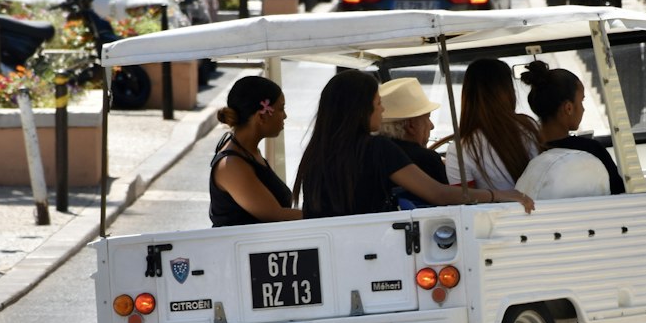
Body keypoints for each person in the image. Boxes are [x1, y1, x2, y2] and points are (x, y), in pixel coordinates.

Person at [293, 69, 534, 218]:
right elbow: (438, 194)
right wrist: (498, 194)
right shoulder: (378, 149)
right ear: (361, 110)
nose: (383, 110)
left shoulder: (315, 153)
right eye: (378, 104)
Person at [521, 58, 625, 194]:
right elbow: (620, 192)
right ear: (568, 108)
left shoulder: (525, 152)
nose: (583, 109)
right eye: (581, 101)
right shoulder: (591, 150)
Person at [210, 75, 303, 227]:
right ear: (262, 116)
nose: (285, 116)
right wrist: (323, 215)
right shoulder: (231, 165)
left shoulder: (248, 151)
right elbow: (275, 215)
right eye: (281, 109)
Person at [445, 57, 540, 193]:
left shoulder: (458, 151)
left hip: (495, 214)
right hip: (540, 211)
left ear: (468, 95)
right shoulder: (528, 126)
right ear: (508, 91)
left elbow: (467, 202)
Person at [378, 76, 448, 205]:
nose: (431, 125)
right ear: (410, 126)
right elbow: (448, 199)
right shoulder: (427, 159)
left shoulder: (370, 153)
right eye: (427, 118)